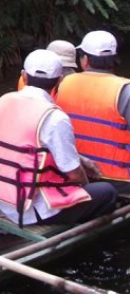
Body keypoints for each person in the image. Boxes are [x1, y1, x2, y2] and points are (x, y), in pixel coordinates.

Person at [0, 50, 117, 227]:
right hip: (31, 211)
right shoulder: (54, 117)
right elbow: (74, 172)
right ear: (59, 80)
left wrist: (81, 160)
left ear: (24, 76)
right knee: (107, 192)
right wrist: (84, 187)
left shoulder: (2, 101)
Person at [55, 31, 130, 195]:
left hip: (75, 173)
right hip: (120, 183)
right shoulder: (125, 90)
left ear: (85, 60)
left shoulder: (64, 84)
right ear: (114, 60)